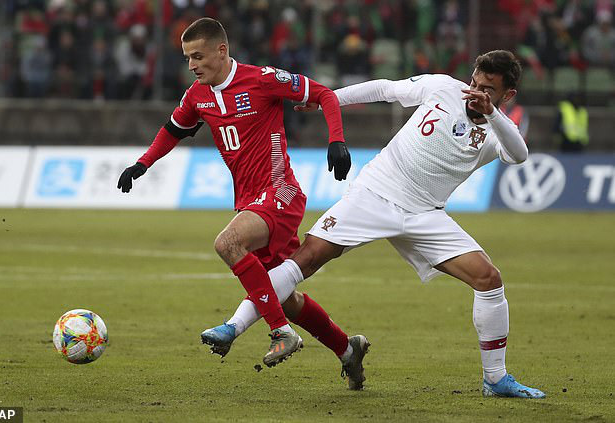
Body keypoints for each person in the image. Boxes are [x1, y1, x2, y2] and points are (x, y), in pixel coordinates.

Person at [203, 50, 546, 398]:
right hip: (375, 193)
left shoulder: (498, 130)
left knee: (489, 279)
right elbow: (385, 89)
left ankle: (495, 378)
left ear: (507, 95)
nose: (474, 91)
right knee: (307, 258)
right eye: (474, 81)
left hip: (425, 213)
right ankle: (233, 326)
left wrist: (492, 113)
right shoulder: (443, 87)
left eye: (486, 89)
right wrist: (328, 100)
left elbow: (519, 154)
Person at [116, 18, 370, 380]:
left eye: (198, 56)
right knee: (281, 295)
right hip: (250, 200)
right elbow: (171, 131)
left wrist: (336, 140)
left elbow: (324, 94)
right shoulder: (196, 96)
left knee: (228, 242)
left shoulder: (263, 79)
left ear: (222, 50)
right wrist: (142, 164)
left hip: (281, 191)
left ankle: (280, 333)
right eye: (188, 58)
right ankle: (348, 349)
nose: (192, 65)